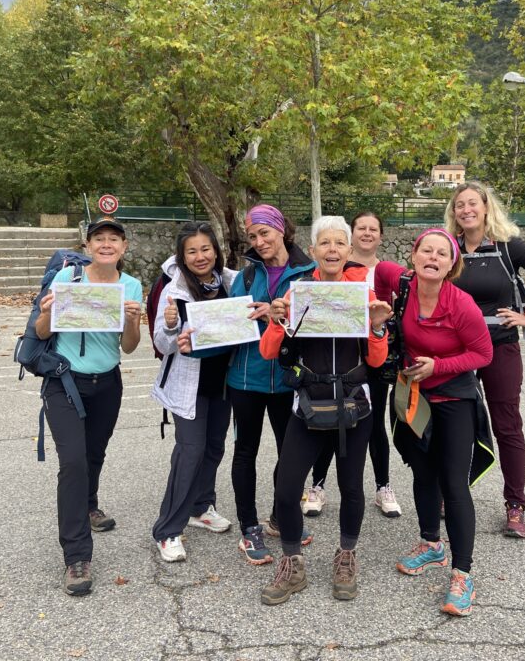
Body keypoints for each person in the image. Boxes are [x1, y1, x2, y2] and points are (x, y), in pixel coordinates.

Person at [255, 216, 393, 605]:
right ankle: (292, 562)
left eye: (340, 243)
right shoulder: (299, 291)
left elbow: (378, 361)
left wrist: (378, 328)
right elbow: (269, 352)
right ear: (313, 250)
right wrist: (279, 320)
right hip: (309, 404)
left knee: (351, 487)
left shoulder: (362, 295)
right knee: (286, 488)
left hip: (354, 405)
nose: (332, 249)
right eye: (325, 243)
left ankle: (346, 555)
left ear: (350, 252)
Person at [178, 204, 315, 565]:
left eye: (264, 233)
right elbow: (229, 328)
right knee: (245, 453)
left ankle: (281, 516)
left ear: (282, 230)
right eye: (253, 236)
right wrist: (195, 347)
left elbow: (318, 328)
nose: (259, 241)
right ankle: (249, 527)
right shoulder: (246, 276)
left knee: (291, 456)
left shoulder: (309, 274)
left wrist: (280, 314)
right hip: (246, 380)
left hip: (290, 381)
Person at [375, 229, 494, 617]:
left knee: (453, 483)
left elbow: (483, 353)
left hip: (455, 398)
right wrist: (379, 308)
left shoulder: (461, 304)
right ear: (414, 256)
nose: (433, 256)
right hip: (413, 396)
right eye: (426, 249)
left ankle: (463, 572)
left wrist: (438, 366)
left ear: (451, 264)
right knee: (422, 473)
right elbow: (378, 275)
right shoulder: (402, 284)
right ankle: (431, 545)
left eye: (442, 253)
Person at [445, 181, 525, 539]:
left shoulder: (508, 247)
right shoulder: (449, 249)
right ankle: (448, 494)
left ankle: (515, 505)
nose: (466, 210)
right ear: (454, 213)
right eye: (459, 205)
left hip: (500, 346)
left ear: (486, 208)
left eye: (472, 204)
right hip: (459, 350)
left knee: (507, 426)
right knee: (455, 426)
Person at [35, 217, 143, 597]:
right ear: (88, 245)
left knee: (94, 453)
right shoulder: (68, 280)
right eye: (100, 238)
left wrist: (133, 321)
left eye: (115, 239)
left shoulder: (130, 286)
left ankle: (90, 504)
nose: (107, 244)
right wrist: (48, 310)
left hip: (107, 383)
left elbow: (129, 346)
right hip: (64, 382)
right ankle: (76, 556)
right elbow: (42, 332)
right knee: (74, 462)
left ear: (124, 248)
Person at [303, 211, 402, 518]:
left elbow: (408, 292)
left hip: (372, 352)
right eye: (362, 228)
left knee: (370, 427)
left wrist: (384, 320)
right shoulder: (326, 267)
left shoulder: (385, 269)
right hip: (336, 357)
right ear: (352, 235)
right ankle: (318, 484)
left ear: (380, 236)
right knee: (329, 419)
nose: (367, 233)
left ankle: (382, 485)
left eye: (374, 229)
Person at [151, 222, 238, 562]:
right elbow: (161, 342)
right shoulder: (174, 290)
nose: (200, 256)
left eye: (205, 249)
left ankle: (201, 506)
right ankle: (167, 529)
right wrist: (173, 326)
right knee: (190, 451)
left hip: (223, 382)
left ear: (215, 250)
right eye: (192, 251)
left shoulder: (232, 281)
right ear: (182, 256)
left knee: (215, 446)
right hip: (189, 384)